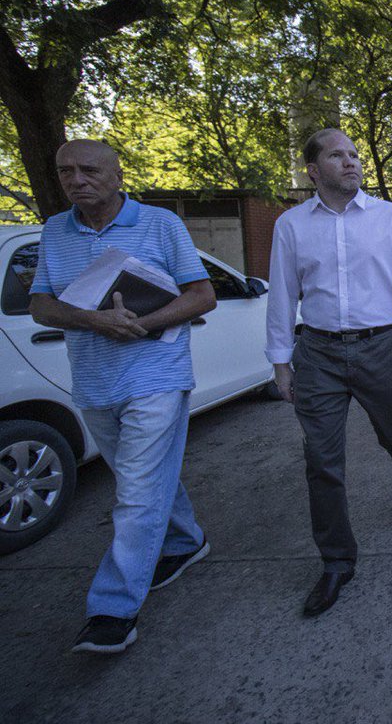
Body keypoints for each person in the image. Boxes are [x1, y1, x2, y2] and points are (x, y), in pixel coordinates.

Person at [29, 139, 216, 654]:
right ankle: (185, 541)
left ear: (116, 175)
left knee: (135, 493)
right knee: (145, 479)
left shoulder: (160, 224)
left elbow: (203, 295)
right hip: (92, 381)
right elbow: (41, 305)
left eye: (89, 169)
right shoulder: (53, 232)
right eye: (66, 170)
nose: (76, 179)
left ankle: (112, 608)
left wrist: (140, 325)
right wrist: (94, 321)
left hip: (156, 374)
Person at [267, 128, 392, 617]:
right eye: (337, 155)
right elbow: (282, 296)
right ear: (313, 169)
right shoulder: (291, 225)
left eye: (354, 154)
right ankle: (338, 562)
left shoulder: (389, 217)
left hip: (379, 347)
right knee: (321, 460)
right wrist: (281, 362)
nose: (351, 162)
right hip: (316, 353)